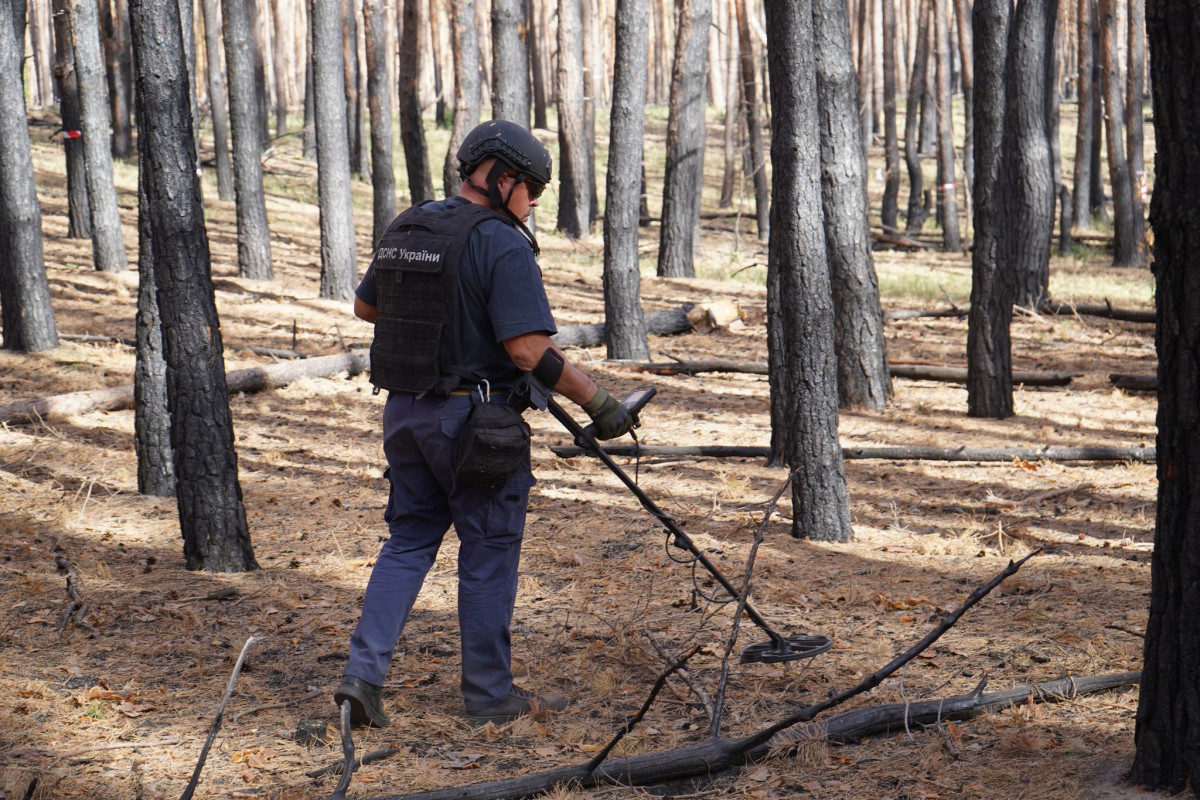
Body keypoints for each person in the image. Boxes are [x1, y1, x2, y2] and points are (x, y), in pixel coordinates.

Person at [334, 120, 635, 728]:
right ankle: (489, 695)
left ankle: (361, 679)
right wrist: (599, 403)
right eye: (532, 191)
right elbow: (527, 350)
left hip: (405, 414)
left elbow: (366, 306)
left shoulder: (410, 225)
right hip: (472, 427)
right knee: (489, 551)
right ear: (502, 178)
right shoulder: (499, 241)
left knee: (409, 542)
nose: (533, 205)